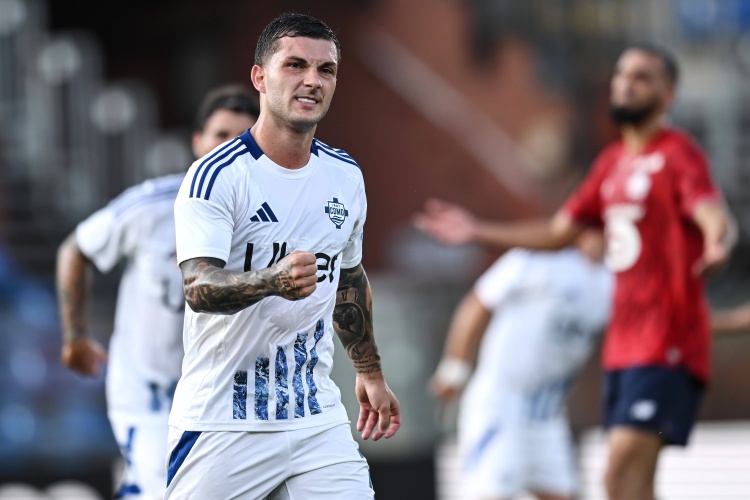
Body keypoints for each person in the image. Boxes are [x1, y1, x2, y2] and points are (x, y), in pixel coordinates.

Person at [414, 43, 733, 500]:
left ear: (668, 95)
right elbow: (491, 292)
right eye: (622, 75)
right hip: (518, 402)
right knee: (626, 481)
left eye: (642, 77)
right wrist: (478, 232)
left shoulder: (674, 159)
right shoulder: (585, 199)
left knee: (618, 478)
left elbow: (708, 213)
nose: (627, 84)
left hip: (592, 391)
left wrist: (718, 244)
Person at [165, 13, 400, 499]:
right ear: (260, 77)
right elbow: (198, 287)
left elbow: (348, 278)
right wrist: (271, 280)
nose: (312, 80)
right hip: (225, 419)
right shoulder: (216, 176)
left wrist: (369, 371)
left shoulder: (345, 176)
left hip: (315, 417)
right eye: (295, 65)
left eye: (326, 70)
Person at [56, 84, 259, 499]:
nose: (230, 148)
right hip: (148, 392)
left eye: (243, 139)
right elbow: (77, 248)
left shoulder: (266, 220)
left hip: (219, 396)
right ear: (197, 142)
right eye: (221, 135)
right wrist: (75, 336)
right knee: (161, 488)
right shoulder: (152, 205)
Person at [431, 230, 612, 500]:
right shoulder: (539, 259)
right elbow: (478, 302)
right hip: (500, 408)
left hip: (548, 415)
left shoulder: (610, 282)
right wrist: (454, 369)